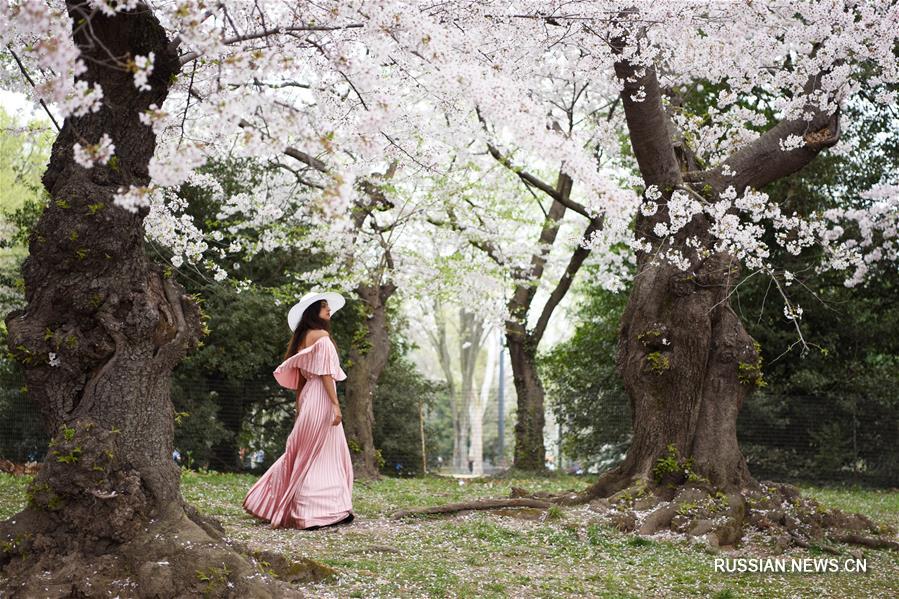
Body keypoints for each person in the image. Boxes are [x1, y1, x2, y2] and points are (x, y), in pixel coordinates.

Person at [242, 291, 355, 529]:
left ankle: (274, 502)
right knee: (322, 452)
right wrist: (335, 405)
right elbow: (325, 374)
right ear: (314, 311)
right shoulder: (322, 336)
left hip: (309, 398)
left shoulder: (303, 337)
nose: (328, 310)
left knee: (305, 450)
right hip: (322, 397)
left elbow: (303, 378)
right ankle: (316, 511)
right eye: (324, 307)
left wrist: (300, 405)